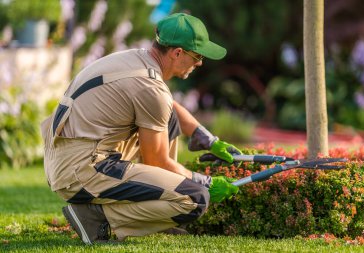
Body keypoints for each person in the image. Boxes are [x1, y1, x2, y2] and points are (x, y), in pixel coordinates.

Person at [41, 12, 241, 245]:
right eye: (197, 55)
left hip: (68, 157)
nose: (199, 63)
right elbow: (158, 161)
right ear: (177, 53)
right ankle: (94, 218)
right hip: (81, 170)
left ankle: (158, 215)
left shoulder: (136, 60)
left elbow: (170, 109)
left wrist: (205, 137)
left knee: (169, 120)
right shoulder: (151, 88)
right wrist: (204, 182)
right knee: (195, 199)